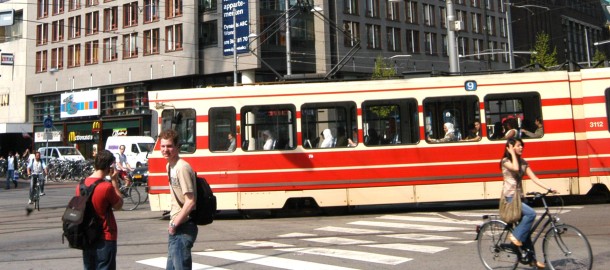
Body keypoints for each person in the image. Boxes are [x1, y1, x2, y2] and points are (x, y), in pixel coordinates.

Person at [501, 138, 556, 269]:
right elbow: (514, 168)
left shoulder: (523, 162)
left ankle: (531, 259)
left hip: (519, 198)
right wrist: (513, 154)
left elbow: (534, 177)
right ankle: (514, 237)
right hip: (510, 198)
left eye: (522, 146)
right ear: (511, 147)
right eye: (519, 146)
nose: (521, 148)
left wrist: (548, 188)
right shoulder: (505, 161)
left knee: (526, 231)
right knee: (531, 214)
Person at [159, 129, 198, 270]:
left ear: (177, 147)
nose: (165, 150)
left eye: (169, 146)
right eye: (162, 146)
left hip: (183, 227)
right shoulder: (169, 166)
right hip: (176, 227)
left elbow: (190, 201)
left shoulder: (182, 167)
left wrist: (174, 225)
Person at [80, 150, 123, 270]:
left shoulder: (81, 185)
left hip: (87, 237)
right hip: (105, 237)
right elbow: (119, 205)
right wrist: (114, 181)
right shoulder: (106, 187)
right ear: (109, 167)